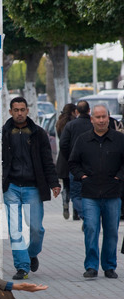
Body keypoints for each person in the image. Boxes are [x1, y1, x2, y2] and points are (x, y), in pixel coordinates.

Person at [2, 97, 61, 280]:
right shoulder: (3, 133)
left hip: (33, 188)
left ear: (28, 111)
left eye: (22, 109)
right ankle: (22, 267)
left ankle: (32, 253)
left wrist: (54, 183)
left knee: (36, 229)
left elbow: (47, 161)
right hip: (11, 187)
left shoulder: (38, 133)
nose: (19, 113)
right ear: (10, 111)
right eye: (16, 110)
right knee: (15, 230)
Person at [69, 104, 124, 279]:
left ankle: (109, 266)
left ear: (109, 118)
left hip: (113, 193)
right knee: (91, 228)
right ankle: (91, 266)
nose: (101, 120)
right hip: (90, 194)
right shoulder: (83, 140)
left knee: (111, 231)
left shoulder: (119, 139)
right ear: (91, 119)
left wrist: (119, 177)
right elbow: (73, 162)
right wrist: (82, 177)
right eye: (97, 117)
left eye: (104, 117)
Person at [59, 100, 93, 221]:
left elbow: (63, 144)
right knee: (92, 195)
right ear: (89, 110)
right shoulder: (93, 124)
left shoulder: (70, 125)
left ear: (77, 111)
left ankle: (86, 217)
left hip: (75, 167)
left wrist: (70, 157)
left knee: (76, 195)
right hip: (94, 165)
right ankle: (91, 217)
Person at [55, 103, 78, 219]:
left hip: (63, 158)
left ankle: (65, 202)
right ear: (74, 111)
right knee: (76, 186)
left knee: (66, 185)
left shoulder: (60, 122)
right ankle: (76, 212)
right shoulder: (73, 123)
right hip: (73, 157)